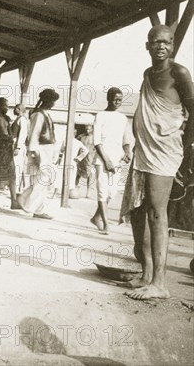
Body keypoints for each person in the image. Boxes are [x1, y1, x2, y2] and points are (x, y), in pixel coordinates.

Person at [120, 25, 193, 300]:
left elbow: (193, 109)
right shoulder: (148, 74)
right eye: (156, 42)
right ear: (147, 45)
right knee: (139, 211)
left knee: (156, 213)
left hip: (166, 151)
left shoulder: (180, 73)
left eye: (167, 42)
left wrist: (185, 149)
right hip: (144, 151)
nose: (161, 46)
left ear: (172, 45)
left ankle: (160, 284)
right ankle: (146, 274)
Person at [89, 88, 132, 234]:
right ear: (108, 98)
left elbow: (126, 140)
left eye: (120, 99)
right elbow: (96, 141)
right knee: (102, 191)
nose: (117, 102)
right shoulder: (100, 116)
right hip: (102, 160)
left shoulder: (123, 118)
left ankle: (96, 217)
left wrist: (127, 152)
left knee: (111, 193)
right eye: (115, 99)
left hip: (117, 160)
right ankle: (105, 223)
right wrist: (106, 160)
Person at [17, 89, 60, 219]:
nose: (54, 104)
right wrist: (34, 152)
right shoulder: (39, 115)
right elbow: (34, 135)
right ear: (48, 101)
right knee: (41, 180)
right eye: (53, 101)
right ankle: (25, 200)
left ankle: (39, 209)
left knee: (44, 181)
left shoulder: (44, 114)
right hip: (40, 150)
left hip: (47, 149)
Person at [11, 103, 29, 192]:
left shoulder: (22, 119)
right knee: (14, 166)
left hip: (18, 146)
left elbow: (23, 134)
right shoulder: (17, 119)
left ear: (19, 109)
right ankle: (15, 187)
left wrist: (18, 147)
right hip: (14, 144)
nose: (14, 110)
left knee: (17, 166)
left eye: (15, 109)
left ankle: (17, 188)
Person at [75, 124, 96, 195]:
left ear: (92, 129)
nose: (88, 130)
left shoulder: (95, 138)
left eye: (89, 129)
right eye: (86, 129)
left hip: (90, 158)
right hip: (81, 158)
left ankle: (88, 192)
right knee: (77, 173)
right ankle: (74, 188)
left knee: (90, 174)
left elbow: (96, 149)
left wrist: (94, 159)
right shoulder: (81, 137)